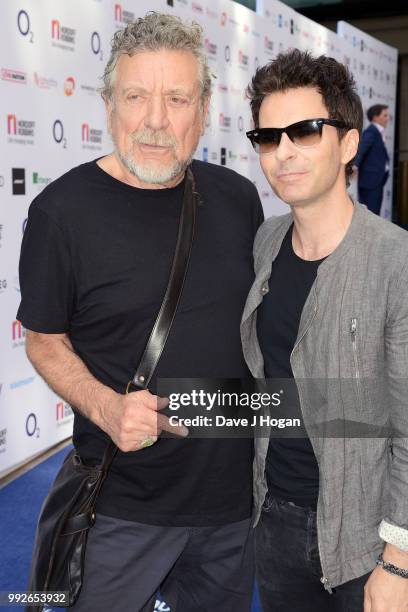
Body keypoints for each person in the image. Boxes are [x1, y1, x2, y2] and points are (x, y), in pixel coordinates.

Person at [17, 13, 263, 612]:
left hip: (231, 511)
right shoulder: (60, 214)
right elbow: (43, 339)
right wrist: (105, 406)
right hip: (120, 507)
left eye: (176, 99)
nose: (156, 121)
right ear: (109, 106)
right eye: (136, 97)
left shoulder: (237, 198)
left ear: (204, 109)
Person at [242, 49, 408, 612]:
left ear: (348, 143)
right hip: (276, 523)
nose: (283, 152)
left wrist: (397, 562)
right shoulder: (265, 243)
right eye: (268, 137)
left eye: (305, 131)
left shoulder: (395, 261)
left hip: (365, 539)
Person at [354, 104, 390, 215]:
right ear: (375, 117)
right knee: (371, 215)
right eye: (385, 115)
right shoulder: (372, 131)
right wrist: (354, 165)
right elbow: (361, 148)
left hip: (375, 181)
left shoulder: (377, 132)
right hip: (370, 182)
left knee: (373, 215)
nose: (388, 118)